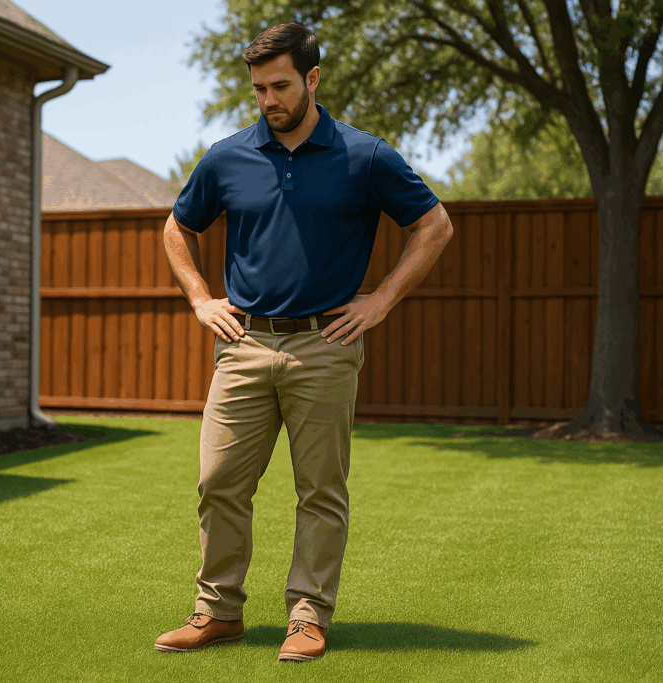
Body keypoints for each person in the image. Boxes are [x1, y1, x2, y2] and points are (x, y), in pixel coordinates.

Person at [155, 22, 454, 662]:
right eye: (259, 87)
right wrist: (201, 298)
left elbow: (433, 227)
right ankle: (217, 613)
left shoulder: (364, 155)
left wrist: (382, 300)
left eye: (281, 85)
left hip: (325, 345)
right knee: (218, 482)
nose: (269, 99)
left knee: (319, 491)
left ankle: (308, 617)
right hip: (243, 347)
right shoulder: (227, 156)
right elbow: (177, 229)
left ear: (312, 79)